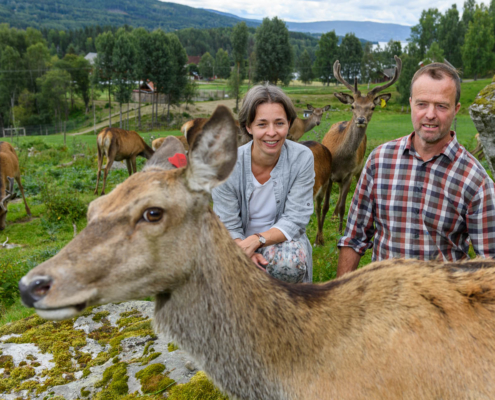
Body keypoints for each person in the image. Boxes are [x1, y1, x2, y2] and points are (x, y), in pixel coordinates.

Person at [337, 62, 495, 277]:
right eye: (422, 104)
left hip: (441, 303)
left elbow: (490, 261)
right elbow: (354, 238)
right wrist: (342, 298)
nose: (430, 114)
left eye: (441, 106)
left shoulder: (475, 179)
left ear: (456, 109)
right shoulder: (379, 161)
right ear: (411, 104)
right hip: (383, 298)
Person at [212, 83, 315, 283]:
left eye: (279, 123)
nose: (272, 132)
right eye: (262, 124)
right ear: (248, 127)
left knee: (288, 263)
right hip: (235, 242)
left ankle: (290, 307)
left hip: (282, 240)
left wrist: (256, 240)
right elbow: (226, 222)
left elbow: (295, 218)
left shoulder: (302, 158)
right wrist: (245, 250)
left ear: (289, 123)